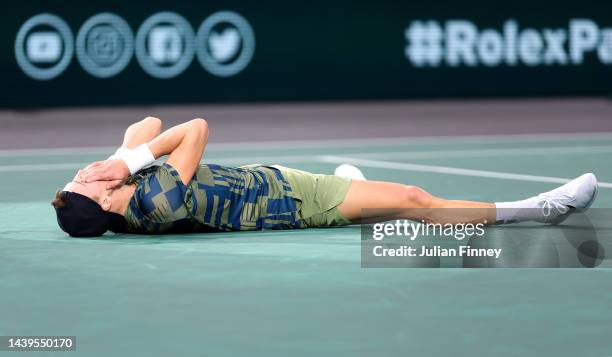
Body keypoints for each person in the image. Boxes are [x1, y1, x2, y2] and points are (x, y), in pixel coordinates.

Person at [52, 117, 598, 237]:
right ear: (102, 201)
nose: (83, 172)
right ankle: (541, 209)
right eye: (82, 181)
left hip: (277, 182)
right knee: (413, 200)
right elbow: (194, 129)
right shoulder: (156, 199)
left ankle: (361, 184)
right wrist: (126, 161)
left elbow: (145, 125)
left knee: (386, 196)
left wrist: (121, 158)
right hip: (297, 202)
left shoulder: (122, 193)